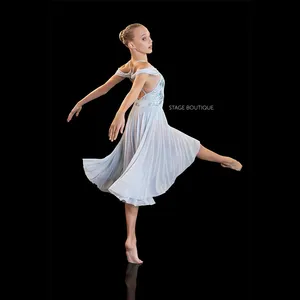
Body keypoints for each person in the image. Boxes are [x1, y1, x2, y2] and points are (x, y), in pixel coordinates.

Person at [67, 23, 242, 265]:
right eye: (144, 38)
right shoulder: (142, 68)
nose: (150, 41)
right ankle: (131, 241)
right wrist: (118, 114)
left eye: (149, 36)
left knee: (184, 146)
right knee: (141, 175)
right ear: (131, 44)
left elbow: (106, 88)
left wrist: (81, 102)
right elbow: (130, 92)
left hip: (149, 122)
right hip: (146, 125)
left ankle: (225, 160)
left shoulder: (130, 66)